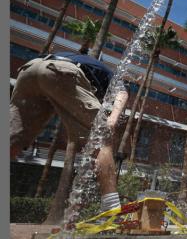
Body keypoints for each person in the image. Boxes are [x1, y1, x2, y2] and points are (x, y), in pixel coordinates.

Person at [10, 50, 129, 213]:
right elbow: (122, 93)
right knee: (103, 138)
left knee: (13, 139)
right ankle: (112, 210)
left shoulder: (89, 64)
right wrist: (113, 119)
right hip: (62, 71)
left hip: (30, 69)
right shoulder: (111, 75)